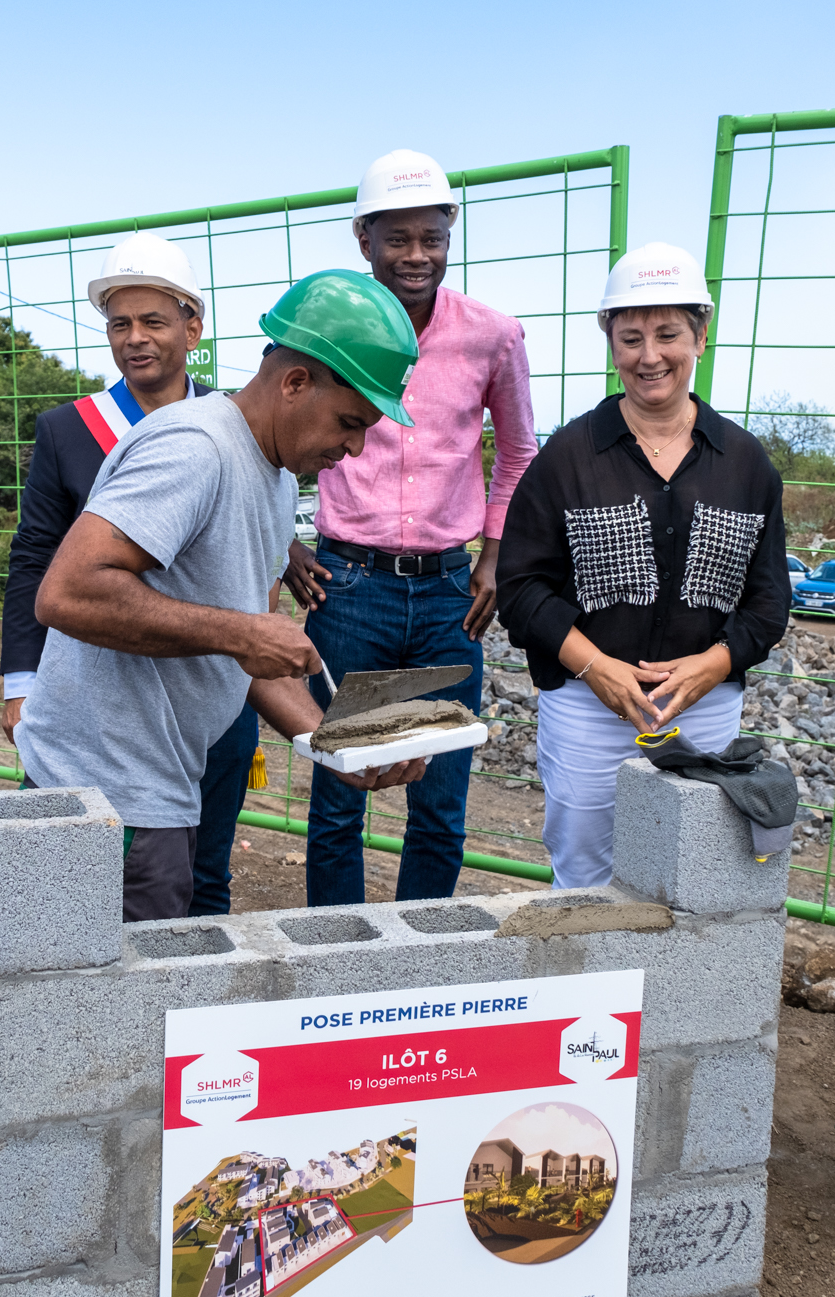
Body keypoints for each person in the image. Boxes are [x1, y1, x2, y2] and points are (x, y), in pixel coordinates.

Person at [17, 270, 428, 920]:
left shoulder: (272, 476)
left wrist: (336, 743)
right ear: (295, 383)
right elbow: (66, 593)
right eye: (351, 421)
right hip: (105, 792)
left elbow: (248, 651)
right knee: (109, 1007)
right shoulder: (197, 448)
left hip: (155, 786)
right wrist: (243, 632)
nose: (354, 447)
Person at [281, 149, 537, 906]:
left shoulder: (492, 337)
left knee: (441, 802)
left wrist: (493, 555)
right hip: (347, 585)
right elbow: (269, 432)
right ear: (364, 240)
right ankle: (336, 959)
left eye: (432, 236)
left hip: (447, 596)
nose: (417, 255)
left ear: (450, 234)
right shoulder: (319, 324)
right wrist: (283, 541)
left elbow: (519, 449)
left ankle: (419, 962)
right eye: (398, 238)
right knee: (337, 794)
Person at [495, 242, 788, 888]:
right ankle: (595, 989)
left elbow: (769, 603)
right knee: (586, 872)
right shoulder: (568, 459)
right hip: (587, 707)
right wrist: (595, 667)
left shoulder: (744, 464)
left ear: (701, 338)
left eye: (668, 334)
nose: (649, 355)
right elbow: (519, 588)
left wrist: (712, 664)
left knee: (695, 870)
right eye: (630, 337)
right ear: (610, 341)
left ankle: (672, 992)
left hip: (704, 706)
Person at [0, 235, 258, 915]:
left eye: (154, 322)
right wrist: (21, 681)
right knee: (101, 870)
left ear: (192, 327)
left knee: (209, 865)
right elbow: (36, 558)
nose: (135, 340)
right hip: (112, 702)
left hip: (210, 688)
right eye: (120, 324)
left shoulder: (239, 427)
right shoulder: (70, 429)